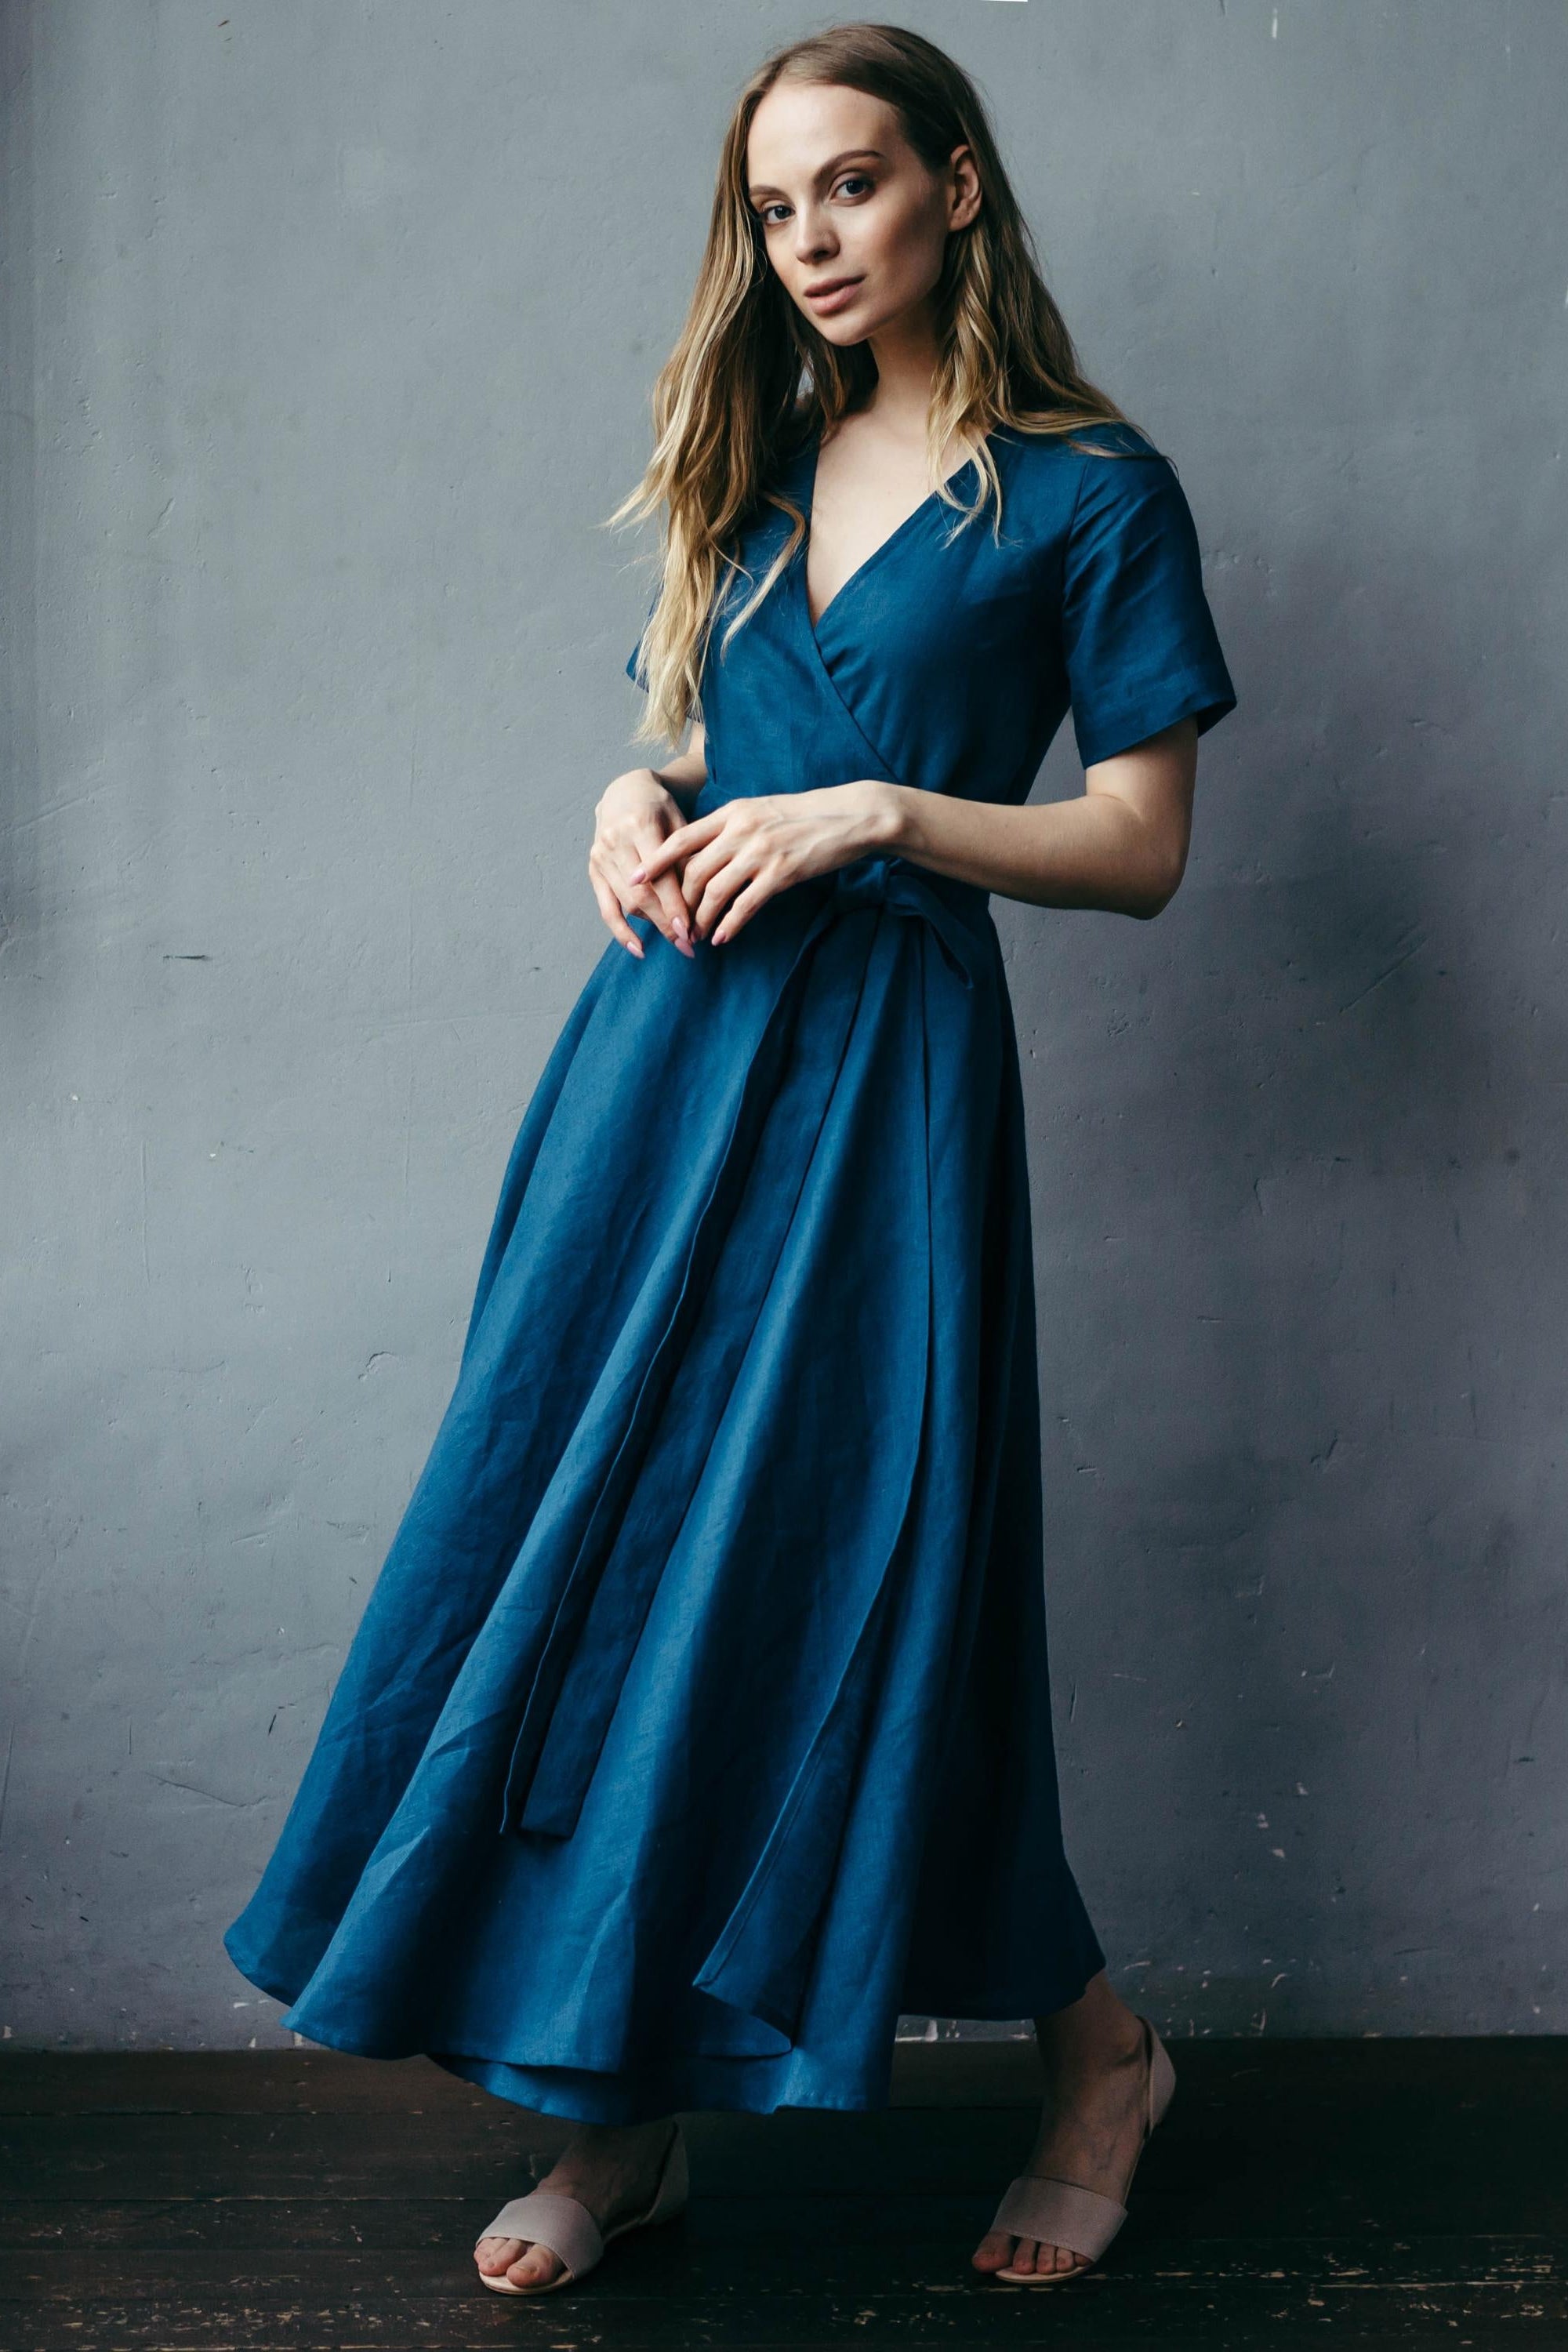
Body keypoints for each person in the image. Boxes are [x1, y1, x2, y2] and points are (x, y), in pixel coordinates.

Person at [222, 18, 1236, 2299]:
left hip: (882, 1090)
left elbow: (1146, 847)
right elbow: (680, 734)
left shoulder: (1091, 491)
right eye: (778, 209)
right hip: (657, 1082)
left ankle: (1101, 2063)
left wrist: (884, 813)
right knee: (591, 1567)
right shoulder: (753, 453)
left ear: (958, 188)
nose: (813, 244)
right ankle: (620, 2119)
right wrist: (622, 801)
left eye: (856, 188)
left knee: (864, 1590)